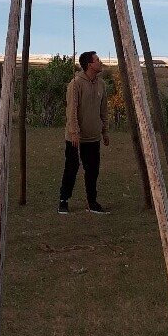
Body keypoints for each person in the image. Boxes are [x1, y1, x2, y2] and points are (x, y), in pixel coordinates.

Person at [58, 50, 110, 214]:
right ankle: (63, 200)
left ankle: (92, 202)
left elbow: (104, 110)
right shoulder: (76, 83)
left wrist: (105, 131)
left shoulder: (101, 84)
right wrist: (74, 132)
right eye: (97, 60)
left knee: (93, 170)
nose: (100, 62)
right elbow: (71, 110)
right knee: (72, 168)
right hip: (76, 137)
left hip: (93, 136)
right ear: (89, 64)